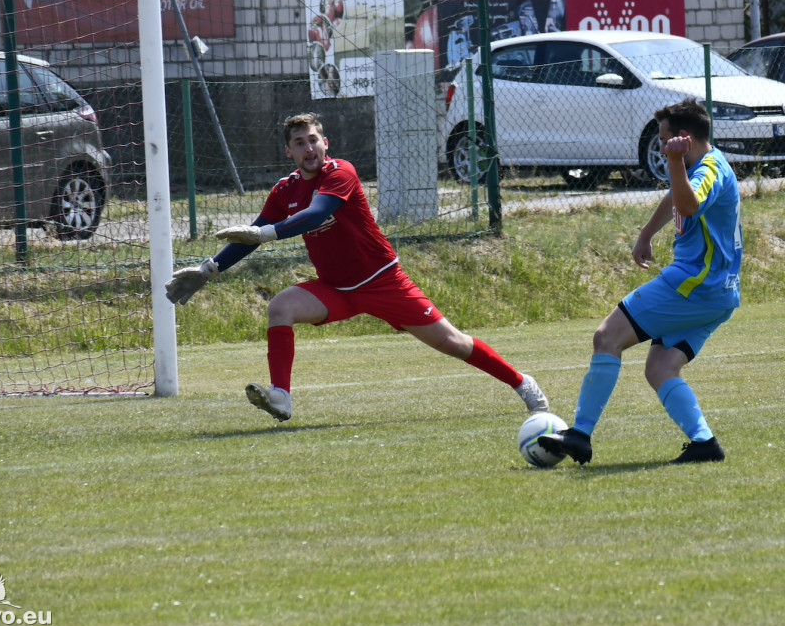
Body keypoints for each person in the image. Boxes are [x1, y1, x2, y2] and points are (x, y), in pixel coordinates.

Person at [164, 112, 549, 422]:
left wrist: (266, 235)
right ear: (289, 152)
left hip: (384, 282)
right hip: (336, 289)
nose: (308, 148)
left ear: (325, 143)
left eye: (313, 139)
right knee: (280, 307)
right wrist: (208, 270)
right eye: (299, 143)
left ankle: (522, 383)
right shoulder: (285, 189)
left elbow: (316, 215)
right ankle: (281, 396)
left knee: (454, 343)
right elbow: (250, 235)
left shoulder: (340, 172)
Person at [540, 98, 742, 464]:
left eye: (665, 140)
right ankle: (704, 444)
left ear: (683, 138)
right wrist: (647, 234)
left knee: (606, 337)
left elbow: (690, 203)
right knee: (660, 368)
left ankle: (581, 434)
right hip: (718, 294)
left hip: (694, 286)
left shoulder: (709, 168)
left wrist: (675, 160)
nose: (662, 148)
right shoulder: (699, 164)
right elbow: (676, 196)